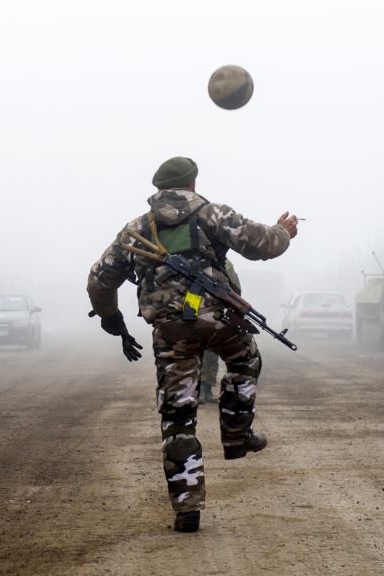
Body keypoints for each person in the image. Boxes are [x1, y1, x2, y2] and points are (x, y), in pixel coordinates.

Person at [86, 156, 297, 532]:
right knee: (245, 360)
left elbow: (100, 279)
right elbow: (262, 243)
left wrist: (111, 318)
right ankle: (237, 436)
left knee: (178, 417)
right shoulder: (212, 214)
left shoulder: (137, 230)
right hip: (218, 322)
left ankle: (187, 508)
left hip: (172, 334)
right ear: (193, 183)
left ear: (159, 190)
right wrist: (285, 231)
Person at [198, 259, 241, 405]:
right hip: (209, 313)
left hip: (193, 313)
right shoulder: (222, 260)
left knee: (203, 353)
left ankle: (203, 390)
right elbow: (235, 287)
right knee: (208, 353)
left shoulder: (187, 253)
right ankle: (203, 390)